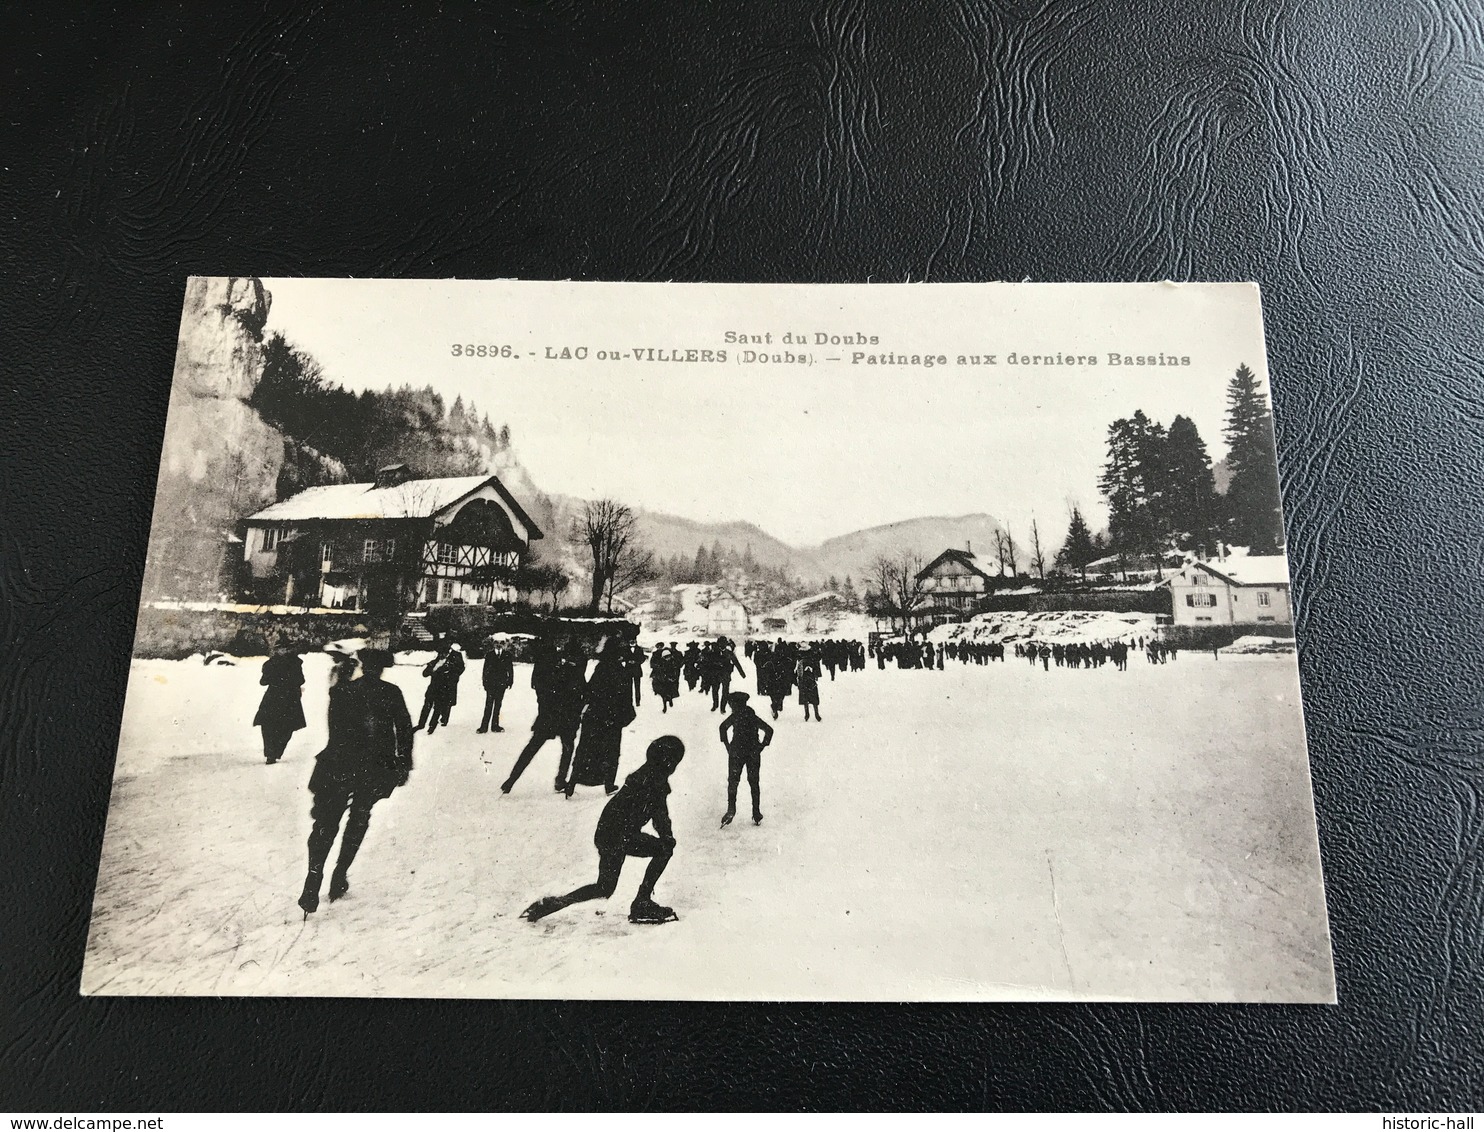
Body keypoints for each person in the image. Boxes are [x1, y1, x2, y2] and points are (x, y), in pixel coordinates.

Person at [520, 736, 686, 925]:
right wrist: (668, 837)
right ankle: (642, 902)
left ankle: (551, 904)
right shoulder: (653, 782)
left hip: (610, 834)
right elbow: (660, 816)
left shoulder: (647, 776)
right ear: (668, 762)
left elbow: (657, 815)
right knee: (663, 850)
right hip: (618, 836)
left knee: (604, 887)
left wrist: (665, 835)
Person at [297, 648, 414, 917]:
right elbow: (404, 729)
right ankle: (339, 876)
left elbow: (334, 730)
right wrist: (403, 762)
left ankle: (313, 878)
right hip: (373, 768)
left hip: (338, 764)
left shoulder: (343, 692)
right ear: (381, 669)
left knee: (326, 823)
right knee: (358, 819)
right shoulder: (391, 692)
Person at [502, 639, 585, 794]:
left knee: (532, 748)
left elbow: (541, 692)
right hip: (566, 718)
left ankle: (510, 781)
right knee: (567, 749)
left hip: (549, 717)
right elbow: (583, 693)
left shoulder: (549, 670)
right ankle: (560, 781)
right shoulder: (573, 671)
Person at [568, 637, 637, 795]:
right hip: (612, 718)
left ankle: (572, 783)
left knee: (584, 750)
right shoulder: (622, 671)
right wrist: (625, 717)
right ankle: (609, 785)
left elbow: (589, 691)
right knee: (611, 752)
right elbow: (626, 697)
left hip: (594, 716)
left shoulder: (600, 669)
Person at [719, 692, 773, 827]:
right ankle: (756, 812)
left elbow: (722, 727)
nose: (731, 706)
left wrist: (727, 745)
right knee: (754, 782)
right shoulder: (752, 716)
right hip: (753, 753)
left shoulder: (735, 716)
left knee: (733, 781)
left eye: (732, 704)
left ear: (736, 705)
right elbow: (769, 730)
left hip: (736, 752)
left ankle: (731, 810)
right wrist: (762, 746)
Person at [254, 647, 305, 764]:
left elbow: (263, 681)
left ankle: (272, 753)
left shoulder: (271, 663)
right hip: (289, 699)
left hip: (274, 697)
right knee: (285, 726)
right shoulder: (294, 663)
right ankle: (275, 752)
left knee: (270, 726)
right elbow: (301, 680)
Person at [415, 638, 465, 733]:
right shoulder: (438, 659)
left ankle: (433, 725)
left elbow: (460, 669)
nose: (441, 654)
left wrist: (450, 674)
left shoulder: (456, 656)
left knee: (440, 706)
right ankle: (421, 724)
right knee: (427, 705)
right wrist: (431, 668)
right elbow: (426, 673)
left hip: (446, 686)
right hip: (433, 686)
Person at [477, 639, 515, 733]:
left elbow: (510, 669)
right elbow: (485, 669)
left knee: (498, 705)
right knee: (489, 704)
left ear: (504, 644)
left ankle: (495, 726)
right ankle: (484, 727)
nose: (499, 645)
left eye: (502, 643)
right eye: (497, 643)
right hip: (491, 684)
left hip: (501, 684)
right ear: (494, 644)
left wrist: (510, 681)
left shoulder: (507, 655)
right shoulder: (489, 655)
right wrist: (485, 682)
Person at [796, 647, 822, 722]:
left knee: (805, 698)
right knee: (813, 698)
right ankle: (816, 714)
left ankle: (807, 714)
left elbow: (799, 673)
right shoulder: (812, 661)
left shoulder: (801, 662)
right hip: (811, 681)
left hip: (804, 681)